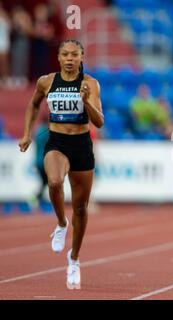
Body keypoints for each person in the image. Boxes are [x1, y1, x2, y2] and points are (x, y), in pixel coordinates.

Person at [19, 39, 104, 289]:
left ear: (81, 57)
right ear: (58, 57)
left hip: (81, 145)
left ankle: (74, 258)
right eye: (65, 54)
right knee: (54, 182)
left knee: (81, 209)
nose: (69, 58)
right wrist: (26, 133)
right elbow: (33, 104)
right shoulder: (46, 81)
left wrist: (86, 101)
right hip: (56, 142)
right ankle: (60, 223)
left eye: (74, 54)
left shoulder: (90, 83)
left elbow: (99, 122)